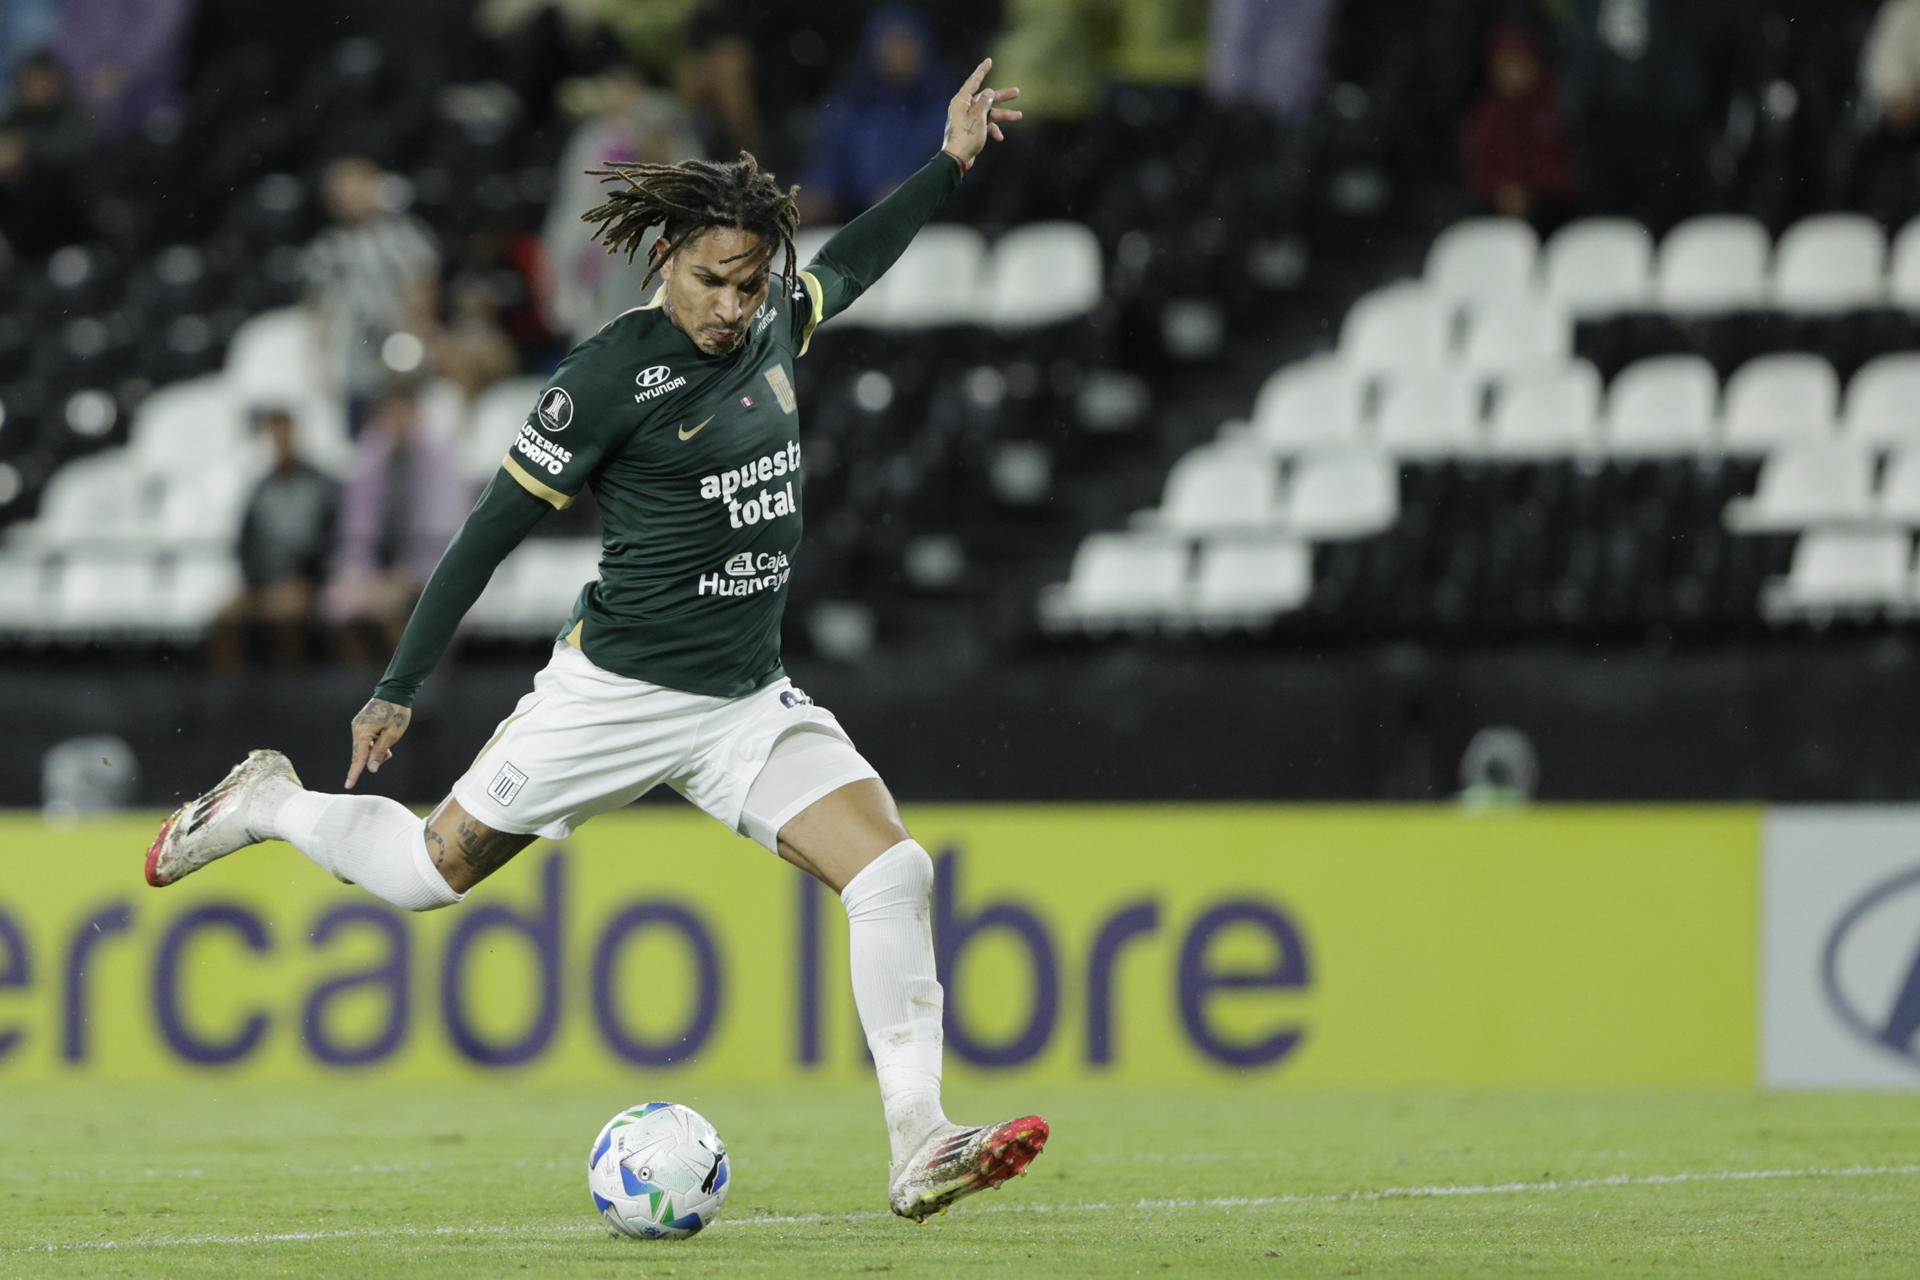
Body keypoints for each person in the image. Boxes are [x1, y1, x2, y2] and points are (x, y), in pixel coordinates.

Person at [146, 58, 1034, 1223]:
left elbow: (851, 264)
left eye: (749, 280)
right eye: (714, 280)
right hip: (612, 694)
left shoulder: (768, 315)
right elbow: (484, 535)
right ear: (667, 258)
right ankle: (267, 800)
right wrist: (397, 686)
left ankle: (919, 1137)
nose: (733, 302)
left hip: (741, 700)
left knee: (893, 869)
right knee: (424, 875)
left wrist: (950, 162)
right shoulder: (606, 376)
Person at [320, 382, 472, 669]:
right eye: (389, 412)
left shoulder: (441, 458)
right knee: (342, 608)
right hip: (377, 571)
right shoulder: (371, 456)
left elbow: (445, 531)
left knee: (400, 615)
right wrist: (363, 572)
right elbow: (356, 529)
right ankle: (365, 695)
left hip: (430, 568)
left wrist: (405, 575)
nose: (396, 419)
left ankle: (408, 694)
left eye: (402, 410)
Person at [301, 155, 442, 429]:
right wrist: (321, 357)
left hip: (397, 346)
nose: (348, 196)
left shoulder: (403, 235)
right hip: (351, 357)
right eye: (340, 190)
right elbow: (317, 308)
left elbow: (423, 289)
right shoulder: (326, 247)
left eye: (356, 186)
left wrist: (415, 332)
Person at [207, 407, 339, 671]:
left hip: (304, 585)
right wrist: (258, 584)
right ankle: (233, 696)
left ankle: (288, 695)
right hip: (262, 585)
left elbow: (330, 543)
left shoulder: (322, 487)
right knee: (223, 621)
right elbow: (246, 545)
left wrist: (308, 581)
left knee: (287, 619)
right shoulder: (260, 490)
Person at [798, 6, 951, 224]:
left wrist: (909, 192)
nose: (898, 54)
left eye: (905, 44)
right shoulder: (850, 107)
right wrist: (816, 194)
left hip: (928, 226)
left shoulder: (945, 110)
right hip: (854, 222)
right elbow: (828, 166)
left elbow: (949, 172)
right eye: (890, 45)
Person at [1460, 24, 1579, 231]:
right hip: (1495, 213)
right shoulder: (1486, 115)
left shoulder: (1559, 107)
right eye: (1505, 65)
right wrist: (1502, 191)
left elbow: (1571, 172)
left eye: (1518, 63)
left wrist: (1531, 193)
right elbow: (1477, 171)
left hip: (1553, 214)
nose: (1512, 73)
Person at [0, 50, 91, 257]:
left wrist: (23, 153)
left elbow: (76, 151)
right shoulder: (13, 118)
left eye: (40, 81)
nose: (34, 89)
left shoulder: (74, 115)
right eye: (28, 83)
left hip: (69, 222)